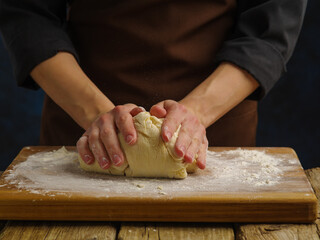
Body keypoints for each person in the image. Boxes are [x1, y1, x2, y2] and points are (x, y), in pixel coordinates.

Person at [0, 0, 307, 170]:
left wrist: (194, 115)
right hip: (82, 129)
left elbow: (271, 25)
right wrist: (96, 114)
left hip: (215, 134)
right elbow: (29, 14)